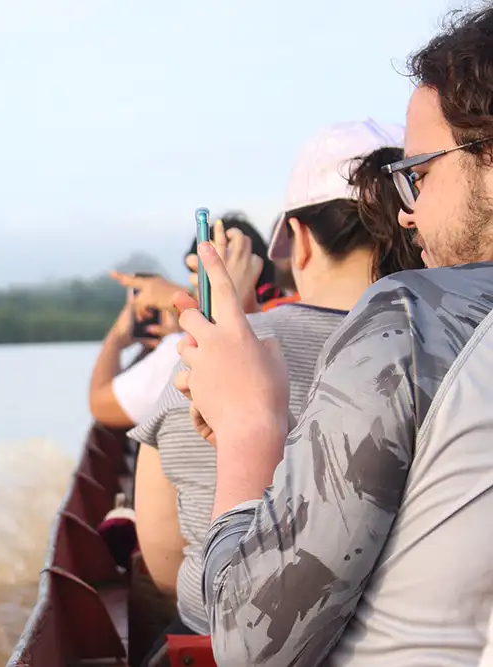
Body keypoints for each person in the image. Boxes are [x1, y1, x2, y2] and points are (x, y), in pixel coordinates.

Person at [176, 7, 493, 665]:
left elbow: (249, 642)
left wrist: (248, 427)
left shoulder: (411, 321)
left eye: (421, 174)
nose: (407, 214)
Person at [129, 122, 419, 662]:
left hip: (210, 641)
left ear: (299, 240)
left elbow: (164, 565)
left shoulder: (204, 362)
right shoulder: (445, 350)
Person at [88, 213, 276, 429]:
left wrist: (116, 338)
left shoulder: (181, 353)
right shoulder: (289, 328)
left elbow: (100, 405)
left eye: (194, 281)